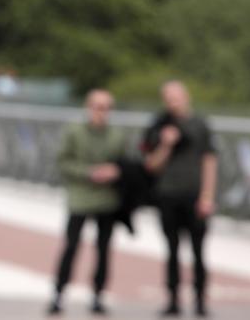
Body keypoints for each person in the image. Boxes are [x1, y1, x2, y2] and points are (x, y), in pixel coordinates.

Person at [142, 81, 218, 317]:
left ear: (187, 96)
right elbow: (150, 166)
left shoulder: (200, 125)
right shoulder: (158, 125)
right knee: (172, 250)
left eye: (177, 97)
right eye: (169, 98)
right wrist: (165, 144)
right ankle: (173, 300)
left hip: (194, 195)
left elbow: (210, 161)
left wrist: (207, 195)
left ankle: (200, 301)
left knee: (198, 251)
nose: (173, 102)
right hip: (167, 194)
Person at [48, 89, 126, 316]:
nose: (101, 113)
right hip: (80, 197)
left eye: (106, 108)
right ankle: (59, 294)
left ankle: (98, 295)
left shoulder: (117, 135)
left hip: (107, 200)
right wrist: (89, 173)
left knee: (103, 249)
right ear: (88, 107)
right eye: (97, 107)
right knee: (71, 247)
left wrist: (114, 171)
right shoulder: (74, 132)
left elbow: (125, 163)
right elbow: (63, 162)